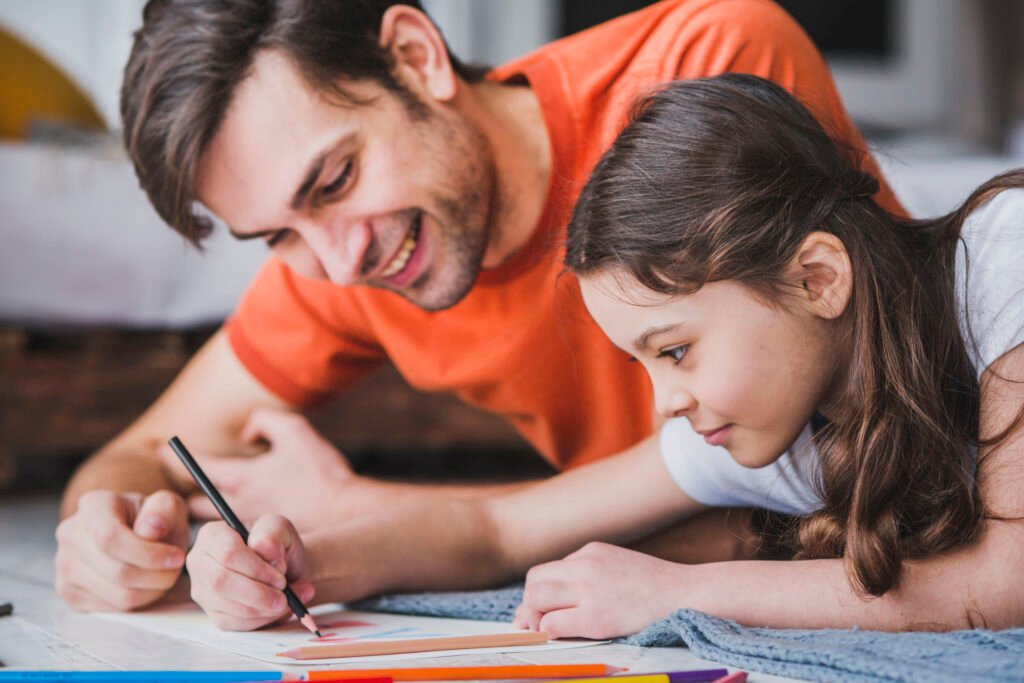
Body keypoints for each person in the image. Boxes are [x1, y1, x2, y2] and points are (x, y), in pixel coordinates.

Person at [56, 0, 901, 615]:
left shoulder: (706, 71)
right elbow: (135, 455)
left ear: (417, 56)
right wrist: (113, 533)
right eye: (274, 234)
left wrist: (376, 510)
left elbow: (877, 466)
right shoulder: (336, 261)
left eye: (337, 179)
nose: (341, 261)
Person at [182, 74, 1023, 635]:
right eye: (643, 362)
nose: (665, 401)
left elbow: (1005, 582)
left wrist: (674, 592)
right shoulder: (793, 416)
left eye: (678, 348)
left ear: (816, 277)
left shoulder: (1003, 256)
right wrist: (302, 563)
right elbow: (497, 528)